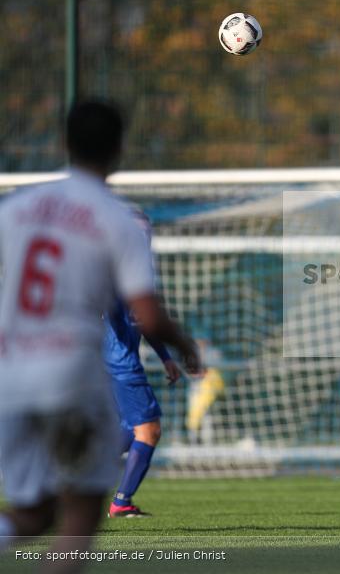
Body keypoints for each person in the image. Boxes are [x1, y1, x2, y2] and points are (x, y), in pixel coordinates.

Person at [0, 99, 200, 569]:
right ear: (118, 149)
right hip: (69, 369)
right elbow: (147, 312)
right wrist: (185, 345)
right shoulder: (118, 220)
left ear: (64, 143)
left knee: (31, 514)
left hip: (10, 370)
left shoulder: (18, 207)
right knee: (82, 511)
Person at [104, 208, 185, 518]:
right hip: (119, 366)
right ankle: (121, 501)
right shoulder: (115, 272)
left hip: (117, 364)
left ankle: (76, 476)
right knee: (149, 430)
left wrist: (165, 357)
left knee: (129, 428)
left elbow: (144, 321)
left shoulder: (135, 272)